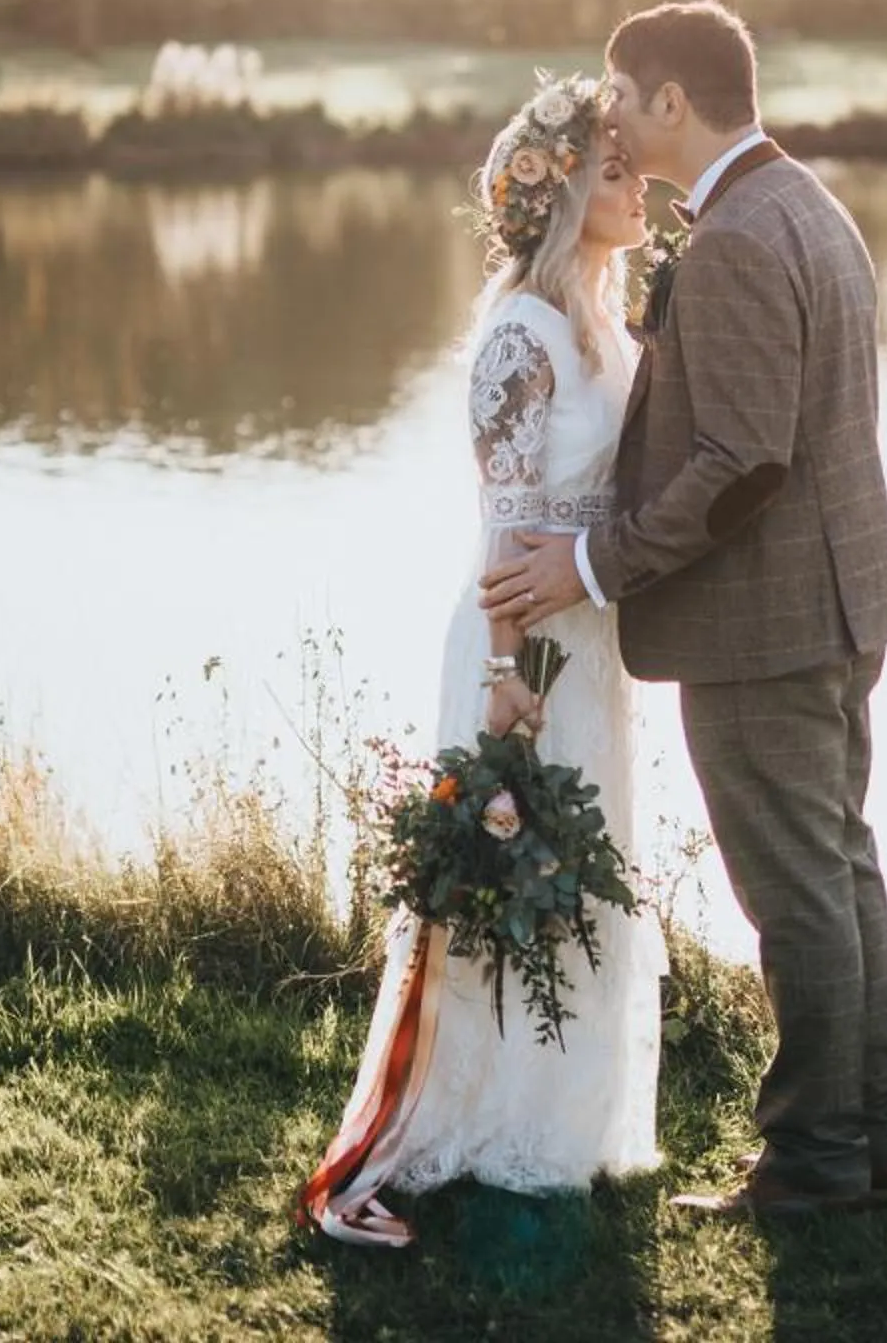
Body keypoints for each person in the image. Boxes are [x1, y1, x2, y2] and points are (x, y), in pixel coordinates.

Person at [481, 0, 887, 1220]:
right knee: (839, 866)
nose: (611, 118)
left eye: (623, 95)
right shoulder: (803, 205)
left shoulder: (732, 240)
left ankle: (813, 1156)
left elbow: (741, 461)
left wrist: (596, 564)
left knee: (795, 890)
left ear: (673, 99)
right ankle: (871, 1136)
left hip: (767, 622)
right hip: (837, 600)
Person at [301, 76, 665, 1249]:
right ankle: (456, 1123)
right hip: (524, 640)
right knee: (507, 875)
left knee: (580, 865)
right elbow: (506, 521)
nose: (640, 183)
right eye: (616, 170)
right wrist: (506, 677)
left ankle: (560, 1120)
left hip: (590, 635)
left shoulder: (605, 319)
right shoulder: (521, 331)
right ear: (562, 195)